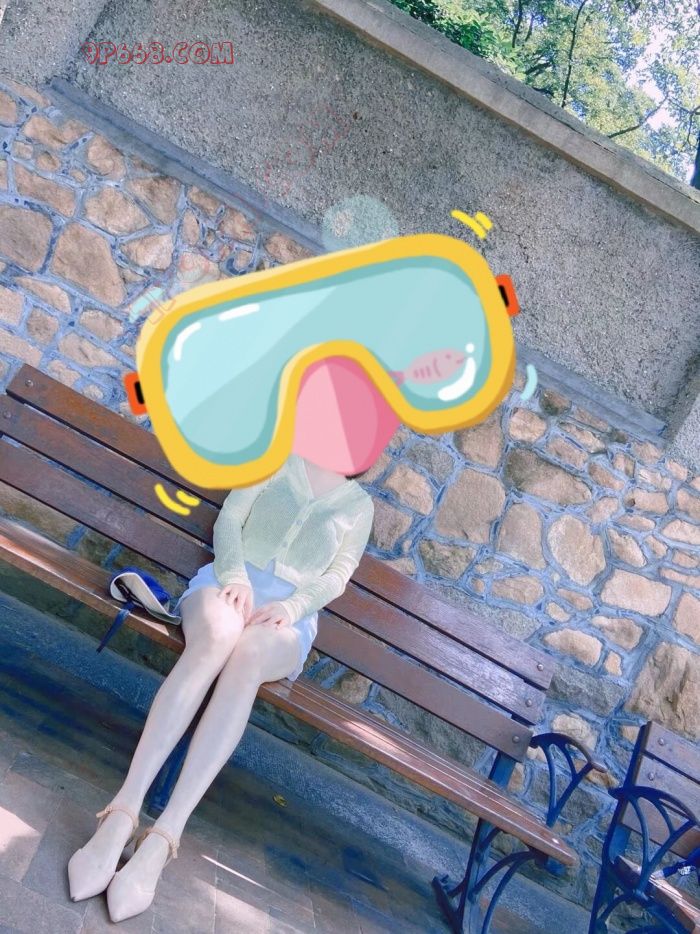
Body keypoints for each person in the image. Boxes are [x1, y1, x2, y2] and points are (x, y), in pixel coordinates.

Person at [67, 448, 374, 921]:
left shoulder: (359, 505)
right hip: (225, 584)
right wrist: (235, 578)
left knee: (249, 655)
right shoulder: (275, 458)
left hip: (288, 619)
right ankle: (121, 813)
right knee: (218, 637)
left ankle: (164, 836)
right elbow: (230, 519)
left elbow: (337, 577)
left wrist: (291, 608)